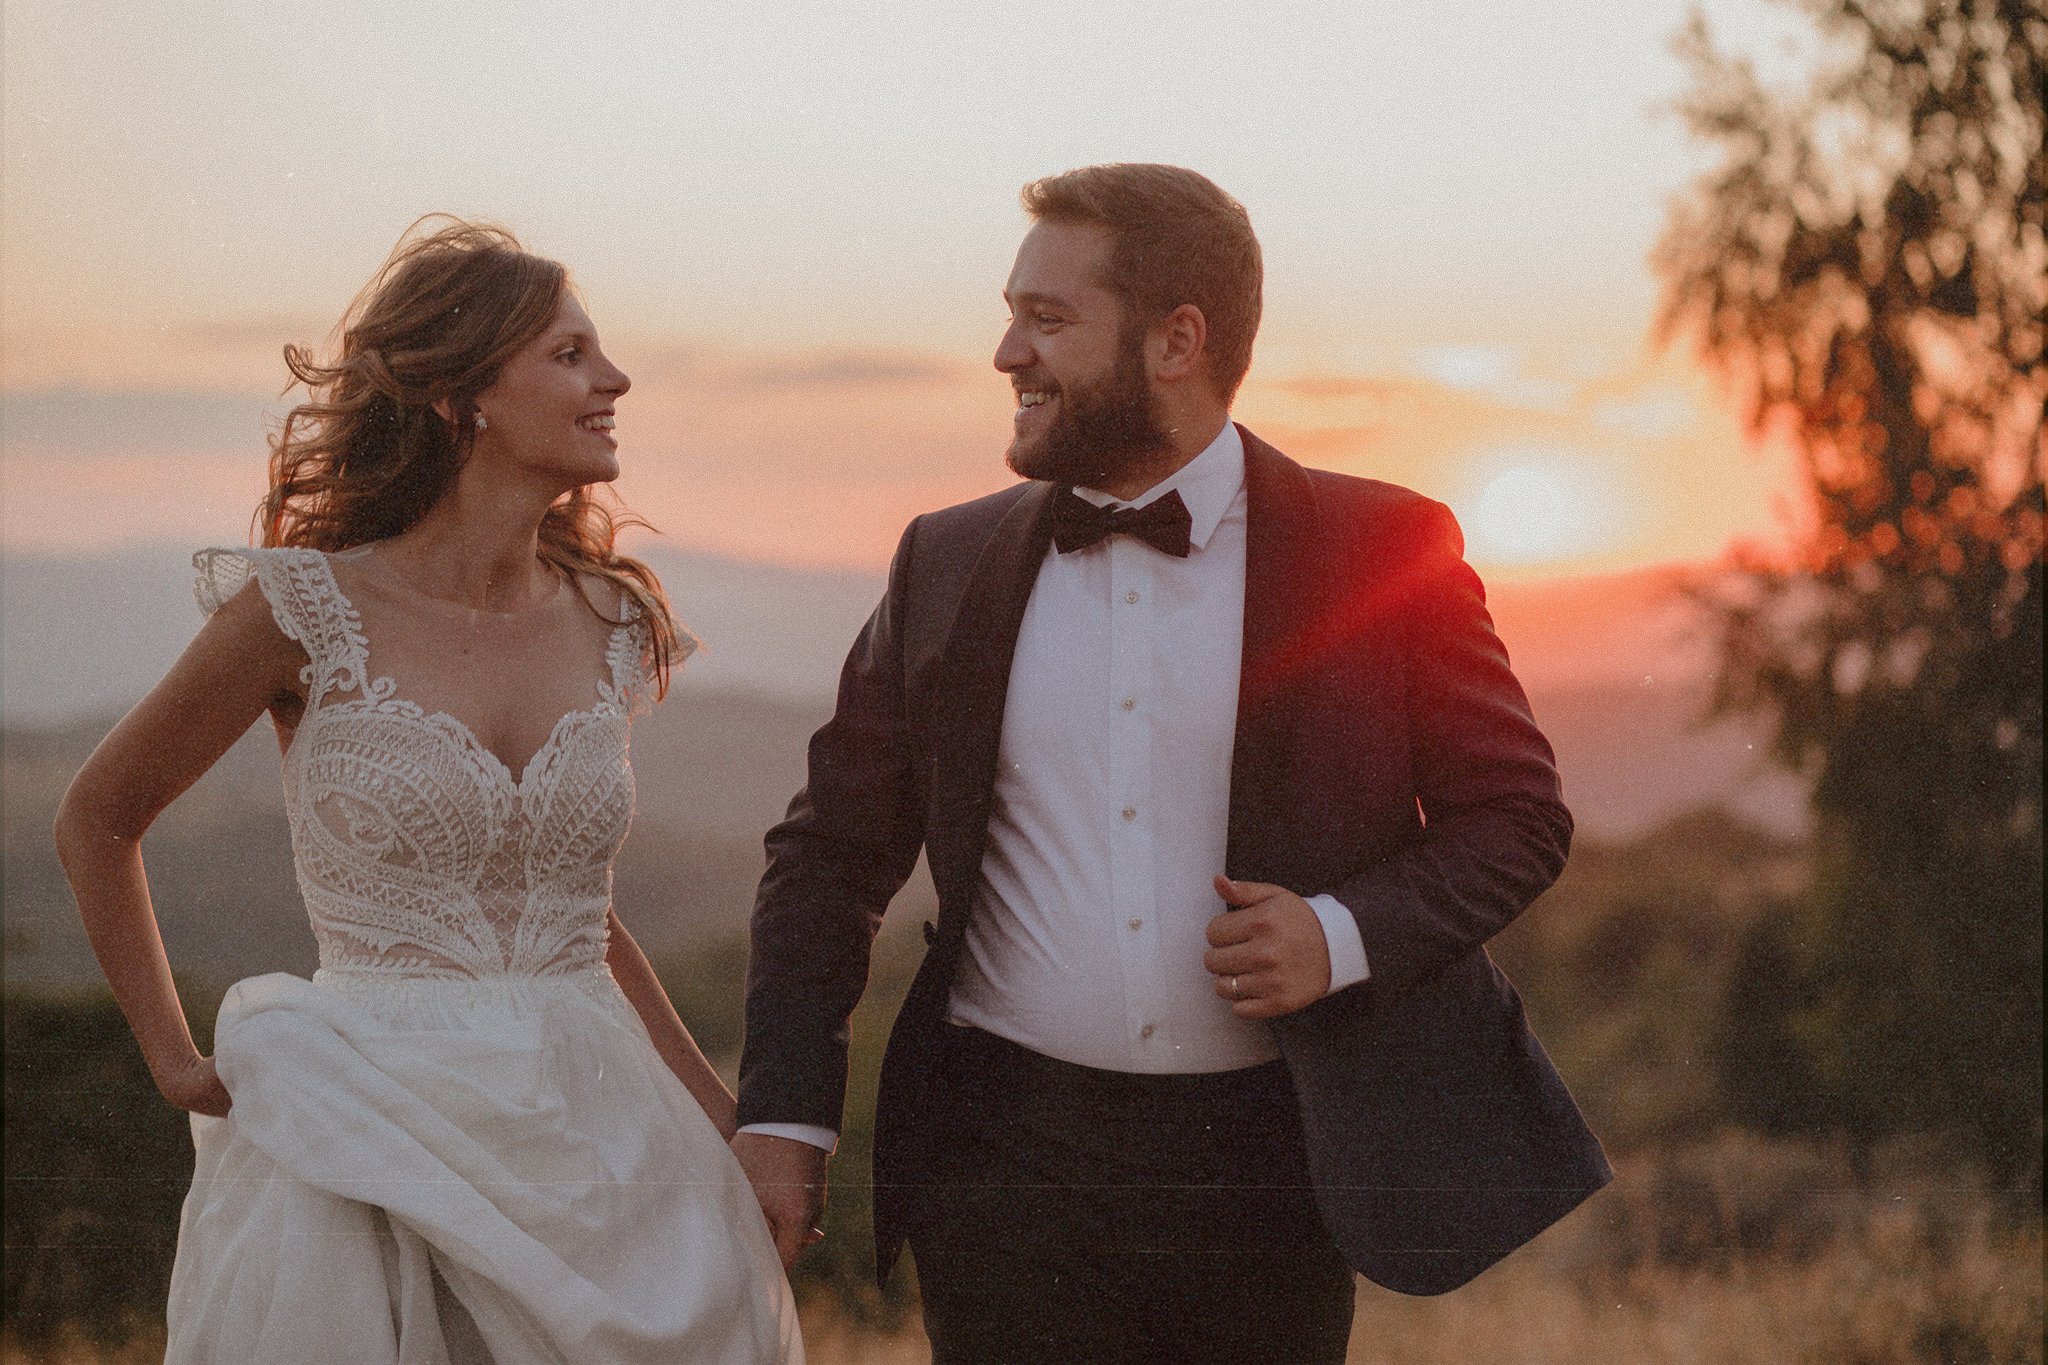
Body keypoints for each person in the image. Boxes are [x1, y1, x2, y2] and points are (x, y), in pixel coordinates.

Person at [731, 164, 1612, 1363]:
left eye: (1046, 320)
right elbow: (829, 853)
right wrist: (784, 1113)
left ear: (1174, 340)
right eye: (1010, 313)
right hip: (1003, 1167)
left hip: (1269, 1164)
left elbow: (1514, 815)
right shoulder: (943, 560)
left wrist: (1337, 934)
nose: (1005, 353)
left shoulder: (1381, 548)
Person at [53, 217, 804, 1364]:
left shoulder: (612, 620)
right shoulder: (304, 609)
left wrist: (720, 1118)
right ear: (465, 398)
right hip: (369, 1128)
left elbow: (579, 918)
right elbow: (99, 818)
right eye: (569, 354)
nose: (614, 379)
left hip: (608, 1130)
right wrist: (170, 1054)